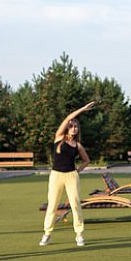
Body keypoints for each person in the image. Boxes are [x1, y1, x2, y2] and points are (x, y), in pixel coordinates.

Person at [40, 102, 95, 247]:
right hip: (56, 175)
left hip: (71, 176)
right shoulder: (58, 138)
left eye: (76, 126)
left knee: (75, 205)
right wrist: (83, 109)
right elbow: (67, 118)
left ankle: (79, 234)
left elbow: (86, 160)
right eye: (71, 126)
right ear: (67, 128)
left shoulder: (78, 145)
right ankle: (47, 234)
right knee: (52, 205)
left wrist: (77, 171)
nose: (73, 128)